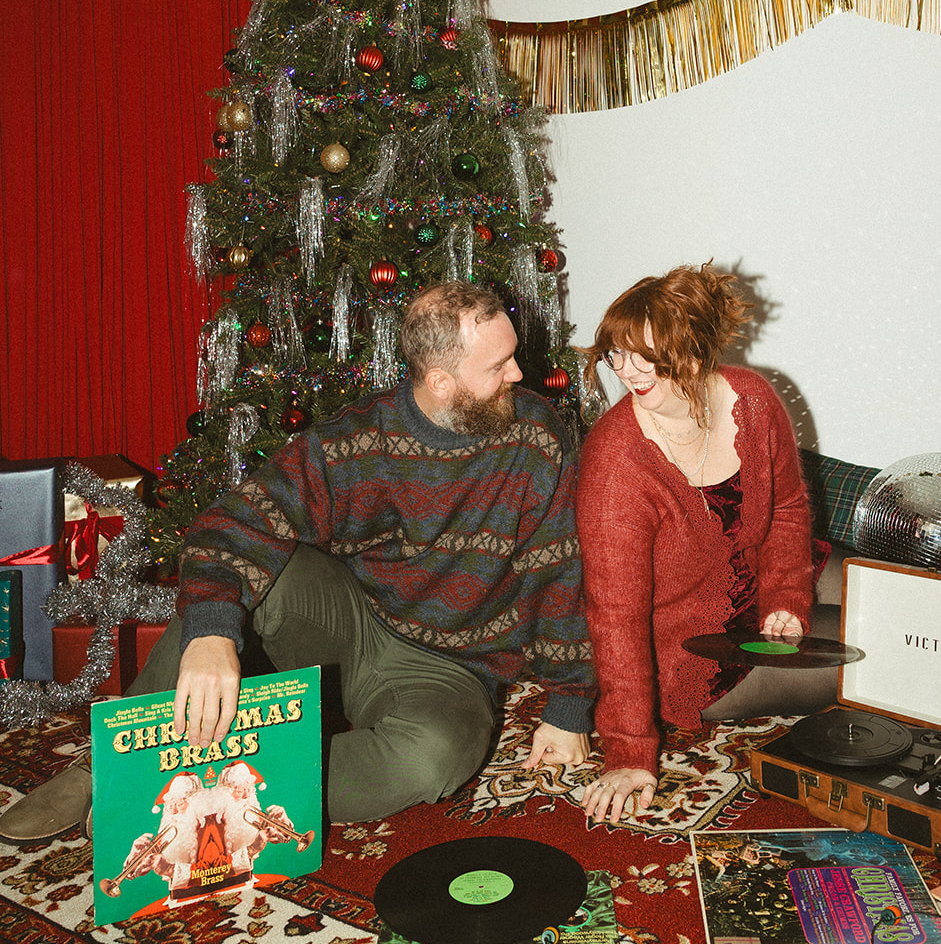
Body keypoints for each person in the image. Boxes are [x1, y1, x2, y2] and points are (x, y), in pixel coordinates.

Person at [0, 282, 593, 844]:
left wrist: (568, 706)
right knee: (240, 586)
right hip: (355, 620)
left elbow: (558, 571)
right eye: (498, 367)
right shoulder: (357, 441)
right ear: (440, 381)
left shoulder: (536, 437)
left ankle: (214, 790)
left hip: (454, 665)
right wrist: (210, 638)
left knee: (433, 758)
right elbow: (227, 525)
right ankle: (111, 763)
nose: (519, 374)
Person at [576, 261, 840, 826]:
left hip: (758, 570)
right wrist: (628, 750)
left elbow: (790, 508)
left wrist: (786, 600)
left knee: (885, 589)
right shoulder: (615, 459)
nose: (627, 371)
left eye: (646, 356)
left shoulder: (753, 398)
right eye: (616, 354)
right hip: (691, 641)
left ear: (693, 354)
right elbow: (615, 614)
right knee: (867, 652)